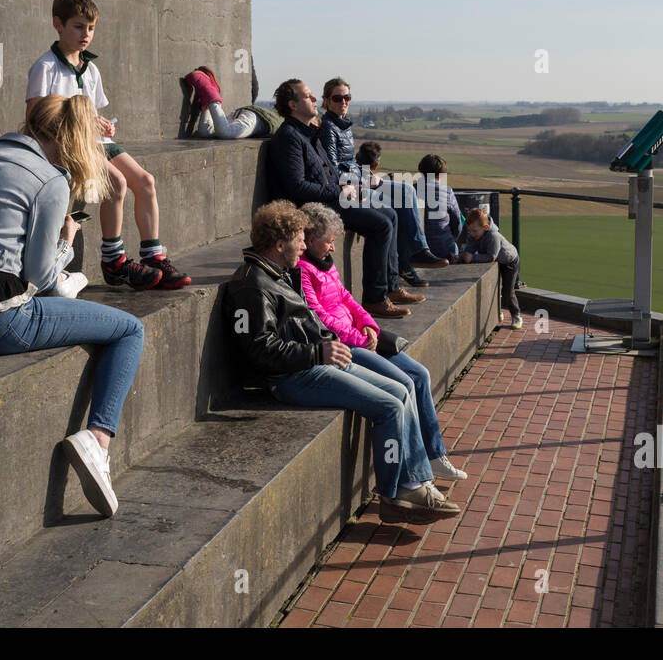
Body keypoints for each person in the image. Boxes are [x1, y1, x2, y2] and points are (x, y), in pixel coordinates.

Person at [0, 95, 145, 517]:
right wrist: (66, 242)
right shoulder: (51, 180)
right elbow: (41, 276)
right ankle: (99, 441)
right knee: (130, 330)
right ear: (72, 139)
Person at [223, 200, 460, 524]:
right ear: (280, 244)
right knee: (389, 407)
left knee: (402, 390)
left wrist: (328, 343)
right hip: (292, 377)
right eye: (299, 239)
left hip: (316, 361)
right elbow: (258, 349)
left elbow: (306, 320)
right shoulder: (251, 285)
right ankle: (395, 494)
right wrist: (317, 353)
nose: (304, 245)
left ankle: (415, 482)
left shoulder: (275, 272)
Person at [26, 0, 191, 291]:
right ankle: (113, 262)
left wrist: (104, 126)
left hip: (95, 141)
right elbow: (35, 116)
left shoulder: (92, 69)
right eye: (78, 26)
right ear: (58, 25)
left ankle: (153, 256)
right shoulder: (46, 66)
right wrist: (84, 123)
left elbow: (94, 113)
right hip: (67, 143)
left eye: (90, 28)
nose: (86, 34)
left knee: (146, 181)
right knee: (116, 183)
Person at [296, 203, 468, 486]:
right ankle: (415, 471)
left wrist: (369, 324)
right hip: (346, 345)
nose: (333, 249)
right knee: (405, 385)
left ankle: (435, 455)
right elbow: (319, 317)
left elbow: (348, 299)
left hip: (362, 336)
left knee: (421, 374)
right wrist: (361, 339)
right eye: (328, 242)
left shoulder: (326, 265)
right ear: (311, 238)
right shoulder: (303, 271)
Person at [265, 79, 419, 319]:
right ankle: (375, 299)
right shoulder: (289, 137)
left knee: (389, 213)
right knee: (381, 225)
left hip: (333, 198)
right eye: (308, 97)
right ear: (293, 104)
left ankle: (391, 287)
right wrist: (340, 192)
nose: (315, 99)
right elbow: (296, 187)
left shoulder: (310, 133)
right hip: (313, 207)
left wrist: (350, 185)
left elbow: (331, 172)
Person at [319, 78, 447, 286]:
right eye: (337, 98)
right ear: (326, 100)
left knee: (406, 190)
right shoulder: (328, 127)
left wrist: (365, 175)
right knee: (393, 206)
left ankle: (418, 251)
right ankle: (407, 265)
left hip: (359, 178)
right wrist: (358, 181)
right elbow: (332, 167)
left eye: (347, 97)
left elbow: (350, 161)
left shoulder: (344, 125)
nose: (343, 102)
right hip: (348, 185)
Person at [461, 208, 523, 329]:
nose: (472, 234)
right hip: (498, 261)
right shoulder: (474, 234)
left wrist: (472, 258)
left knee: (507, 292)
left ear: (485, 227)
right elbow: (469, 250)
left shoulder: (493, 236)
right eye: (469, 231)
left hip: (509, 261)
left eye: (474, 231)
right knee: (494, 288)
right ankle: (497, 312)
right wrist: (459, 257)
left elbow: (491, 257)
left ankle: (516, 315)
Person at [184, 65, 282, 139]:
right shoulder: (288, 122)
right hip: (258, 118)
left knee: (205, 133)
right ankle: (209, 91)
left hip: (251, 116)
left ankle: (210, 94)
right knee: (226, 133)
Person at [418, 154, 465, 262]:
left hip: (417, 249)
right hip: (444, 250)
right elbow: (457, 222)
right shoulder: (447, 191)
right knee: (455, 248)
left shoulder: (410, 190)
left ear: (421, 173)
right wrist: (451, 239)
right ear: (440, 176)